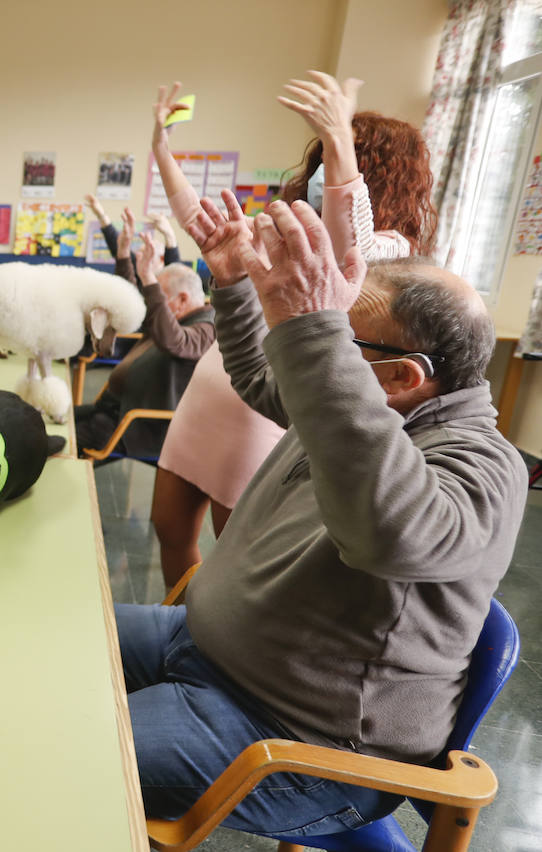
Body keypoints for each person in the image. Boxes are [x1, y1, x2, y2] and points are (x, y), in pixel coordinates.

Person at [120, 195, 525, 838]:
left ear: (397, 376)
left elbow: (390, 532)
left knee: (54, 743)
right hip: (204, 649)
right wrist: (232, 282)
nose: (323, 354)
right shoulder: (363, 402)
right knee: (47, 647)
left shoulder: (485, 468)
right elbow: (261, 375)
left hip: (296, 741)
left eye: (339, 336)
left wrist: (313, 333)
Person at [148, 73, 437, 586]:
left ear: (376, 172)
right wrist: (161, 148)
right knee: (169, 527)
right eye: (323, 154)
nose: (322, 165)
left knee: (232, 557)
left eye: (338, 153)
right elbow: (200, 219)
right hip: (210, 391)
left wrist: (338, 138)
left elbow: (353, 245)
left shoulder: (391, 250)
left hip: (257, 406)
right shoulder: (289, 223)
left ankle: (201, 641)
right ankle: (174, 618)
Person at [74, 208, 213, 458]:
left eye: (160, 296)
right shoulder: (172, 316)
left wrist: (149, 278)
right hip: (115, 411)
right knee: (53, 419)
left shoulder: (208, 327)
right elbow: (131, 304)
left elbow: (177, 343)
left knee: (59, 438)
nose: (153, 304)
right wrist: (124, 254)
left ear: (182, 299)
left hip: (138, 427)